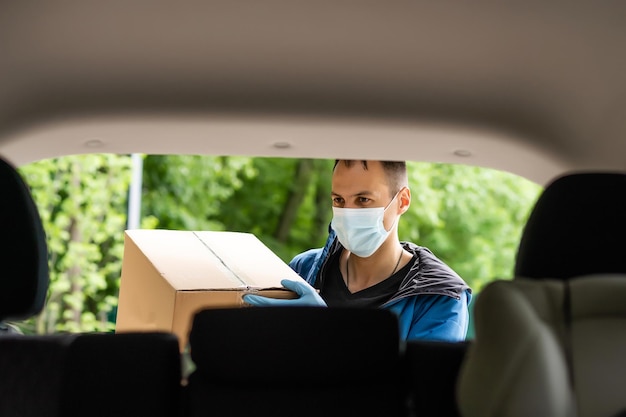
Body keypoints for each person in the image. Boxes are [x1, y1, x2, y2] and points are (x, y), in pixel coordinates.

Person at [243, 160, 471, 342]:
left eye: (363, 200)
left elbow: (419, 392)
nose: (348, 212)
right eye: (339, 200)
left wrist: (328, 329)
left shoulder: (440, 297)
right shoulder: (304, 268)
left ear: (402, 201)